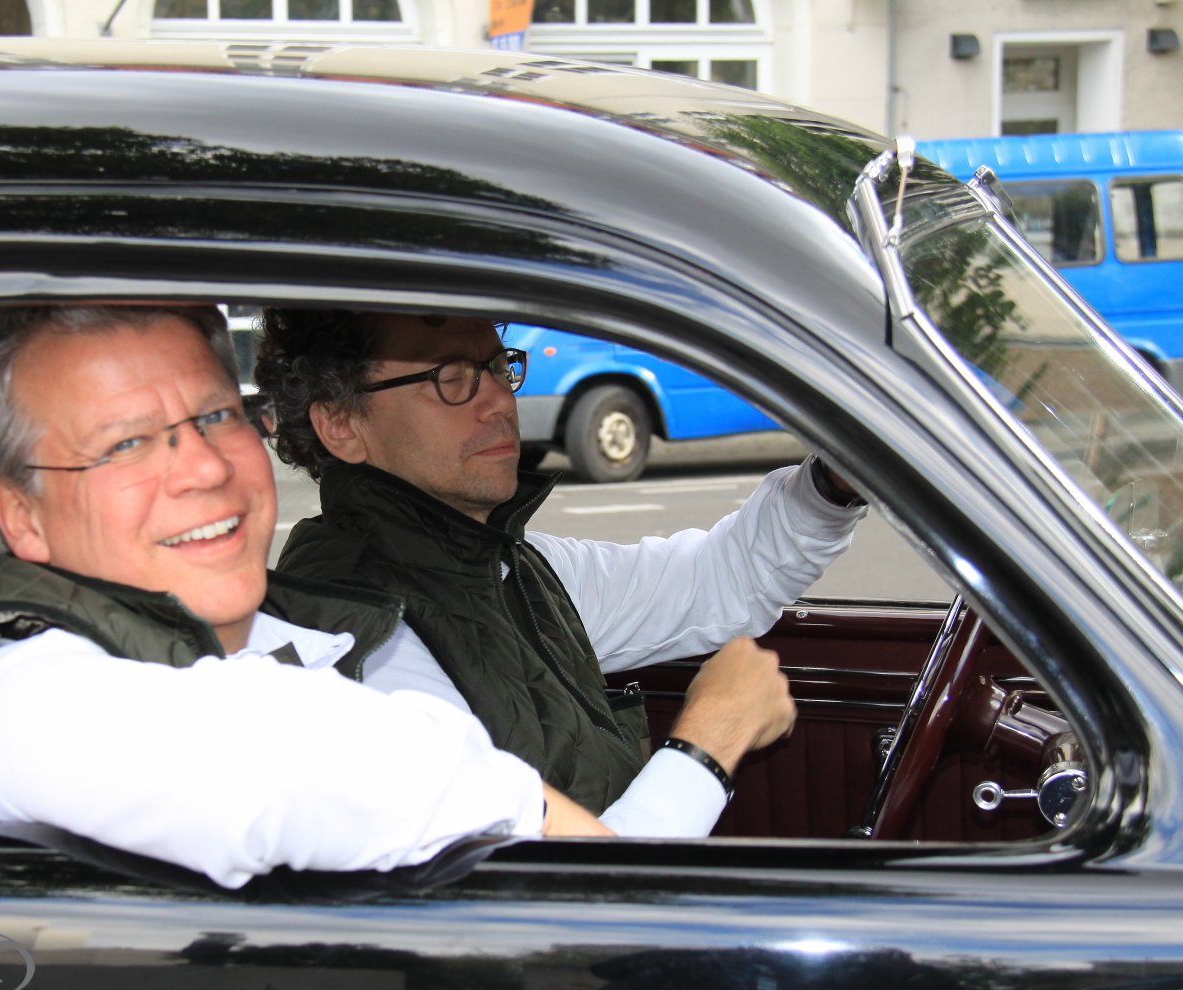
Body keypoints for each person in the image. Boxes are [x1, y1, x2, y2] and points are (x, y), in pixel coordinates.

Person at [0, 304, 612, 890]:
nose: (206, 466)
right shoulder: (11, 693)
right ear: (20, 514)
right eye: (128, 443)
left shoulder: (317, 634)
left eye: (215, 415)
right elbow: (293, 762)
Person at [254, 309, 866, 835]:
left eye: (498, 367)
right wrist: (710, 741)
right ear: (341, 424)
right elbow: (547, 899)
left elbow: (720, 580)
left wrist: (834, 482)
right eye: (451, 378)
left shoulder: (509, 567)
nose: (499, 400)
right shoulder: (357, 640)